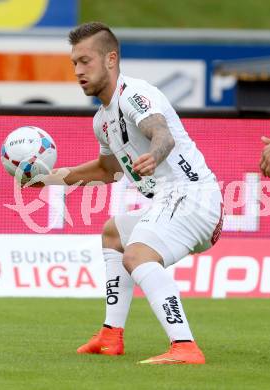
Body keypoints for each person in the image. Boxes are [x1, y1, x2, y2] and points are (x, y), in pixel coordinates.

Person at [25, 22, 223, 365]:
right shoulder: (102, 119)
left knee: (137, 255)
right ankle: (110, 335)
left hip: (192, 196)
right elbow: (107, 170)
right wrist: (47, 180)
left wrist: (154, 155)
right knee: (113, 233)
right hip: (172, 200)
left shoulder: (134, 93)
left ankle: (185, 346)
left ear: (111, 59)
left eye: (85, 61)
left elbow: (161, 133)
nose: (78, 70)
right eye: (74, 63)